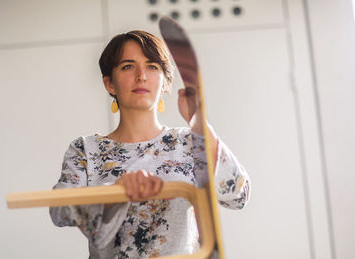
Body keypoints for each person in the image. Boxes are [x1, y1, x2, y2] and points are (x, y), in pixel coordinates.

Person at [50, 30, 250, 258]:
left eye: (152, 66)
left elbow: (238, 195)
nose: (142, 75)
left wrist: (199, 125)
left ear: (165, 82)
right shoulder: (86, 150)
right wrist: (117, 192)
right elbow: (60, 210)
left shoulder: (188, 142)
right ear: (109, 84)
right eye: (127, 66)